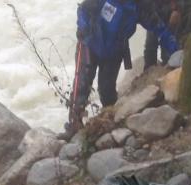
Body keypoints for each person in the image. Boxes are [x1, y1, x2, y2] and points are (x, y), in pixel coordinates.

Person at [64, 0, 180, 138]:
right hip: (89, 45)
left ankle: (108, 124)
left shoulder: (139, 6)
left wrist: (176, 52)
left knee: (107, 91)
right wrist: (83, 29)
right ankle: (74, 127)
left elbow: (159, 28)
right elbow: (83, 10)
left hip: (114, 52)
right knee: (81, 88)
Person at [143, 0, 181, 68]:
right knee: (150, 44)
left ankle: (169, 65)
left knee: (167, 48)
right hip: (154, 10)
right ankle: (149, 68)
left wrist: (177, 10)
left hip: (170, 11)